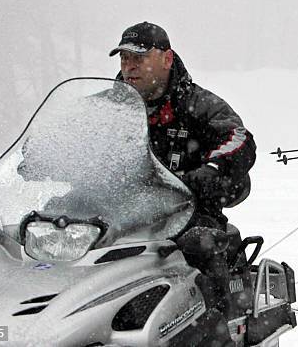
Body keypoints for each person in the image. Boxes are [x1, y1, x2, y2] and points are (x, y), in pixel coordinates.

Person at [109, 23, 255, 345]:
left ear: (166, 58)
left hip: (186, 214)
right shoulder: (109, 107)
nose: (128, 66)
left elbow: (238, 139)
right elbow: (70, 138)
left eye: (138, 57)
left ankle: (218, 335)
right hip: (116, 214)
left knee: (201, 247)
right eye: (123, 59)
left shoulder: (200, 104)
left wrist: (208, 172)